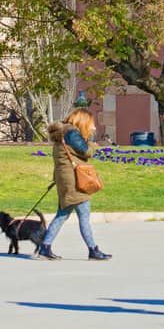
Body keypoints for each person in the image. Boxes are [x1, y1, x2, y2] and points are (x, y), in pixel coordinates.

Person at [39, 107, 110, 261]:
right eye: (90, 123)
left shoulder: (64, 132)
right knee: (84, 215)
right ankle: (93, 250)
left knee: (62, 215)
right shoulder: (71, 133)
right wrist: (91, 139)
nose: (93, 126)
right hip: (75, 182)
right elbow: (87, 152)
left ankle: (45, 247)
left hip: (66, 180)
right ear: (83, 121)